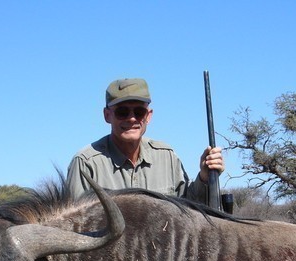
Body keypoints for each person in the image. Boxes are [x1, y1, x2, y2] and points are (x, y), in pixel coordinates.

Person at [65, 78, 224, 204]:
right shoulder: (86, 163)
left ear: (148, 116)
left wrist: (204, 177)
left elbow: (188, 205)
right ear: (107, 115)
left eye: (139, 112)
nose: (132, 118)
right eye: (122, 112)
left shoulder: (166, 156)